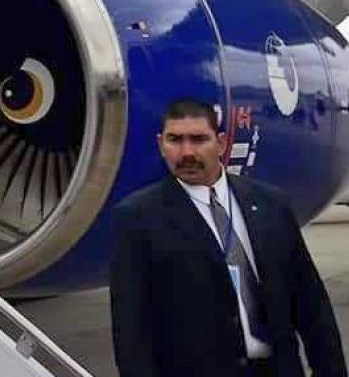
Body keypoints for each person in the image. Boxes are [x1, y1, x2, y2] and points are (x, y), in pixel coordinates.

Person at [110, 99, 346, 377]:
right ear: (161, 144)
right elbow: (131, 331)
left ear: (220, 143)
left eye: (198, 139)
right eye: (175, 140)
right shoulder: (137, 218)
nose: (186, 152)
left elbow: (310, 303)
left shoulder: (270, 204)